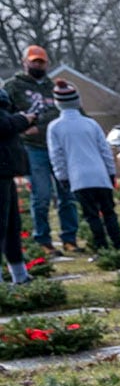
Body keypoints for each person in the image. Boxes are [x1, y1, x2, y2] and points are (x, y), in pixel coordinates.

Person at [5, 46, 79, 253]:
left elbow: (70, 112)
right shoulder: (12, 87)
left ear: (47, 64)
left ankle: (69, 238)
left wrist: (41, 124)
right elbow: (7, 119)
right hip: (32, 149)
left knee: (67, 195)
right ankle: (43, 240)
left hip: (60, 148)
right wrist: (21, 128)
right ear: (25, 62)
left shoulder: (54, 87)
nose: (38, 65)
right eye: (34, 61)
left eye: (41, 62)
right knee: (41, 195)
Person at [44, 79, 120, 252]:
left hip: (78, 177)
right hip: (100, 175)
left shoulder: (55, 127)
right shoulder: (91, 123)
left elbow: (56, 156)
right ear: (78, 101)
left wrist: (62, 177)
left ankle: (102, 247)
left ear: (58, 104)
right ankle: (118, 244)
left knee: (91, 215)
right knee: (109, 212)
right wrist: (111, 172)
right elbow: (105, 151)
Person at [0, 88, 31, 282]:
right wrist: (22, 120)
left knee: (12, 225)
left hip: (5, 172)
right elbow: (3, 125)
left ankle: (20, 275)